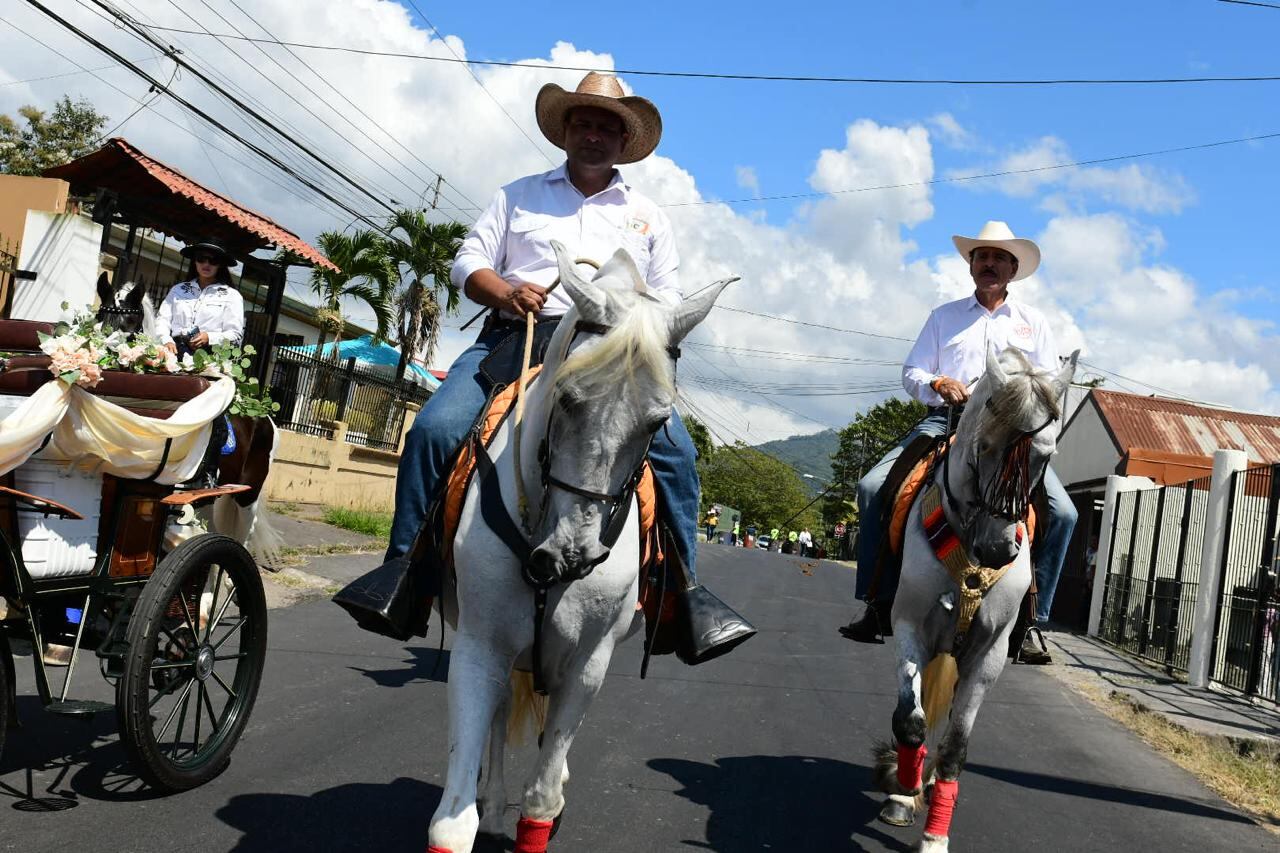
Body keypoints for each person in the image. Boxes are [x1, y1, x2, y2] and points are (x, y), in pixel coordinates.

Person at [385, 72, 753, 662]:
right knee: (434, 429)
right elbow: (467, 264)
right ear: (566, 129)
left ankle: (683, 597)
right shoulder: (517, 195)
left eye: (608, 126)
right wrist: (506, 291)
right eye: (585, 122)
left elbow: (667, 298)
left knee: (679, 457)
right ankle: (402, 575)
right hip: (518, 337)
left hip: (609, 356)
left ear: (624, 139)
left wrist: (624, 311)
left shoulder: (649, 216)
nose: (594, 134)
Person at [839, 221, 1077, 664]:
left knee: (1064, 512)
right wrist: (937, 381)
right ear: (971, 265)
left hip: (1008, 437)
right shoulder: (943, 317)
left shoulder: (1033, 324)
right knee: (873, 488)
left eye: (997, 257)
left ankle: (1031, 622)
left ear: (1012, 268)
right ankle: (876, 601)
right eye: (980, 256)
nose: (988, 263)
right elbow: (911, 373)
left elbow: (1047, 388)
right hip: (943, 422)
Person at [156, 240, 245, 489]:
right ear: (194, 261)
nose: (206, 264)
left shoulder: (231, 296)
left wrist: (209, 337)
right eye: (201, 259)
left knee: (213, 410)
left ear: (220, 265)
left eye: (212, 260)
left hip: (211, 359)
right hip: (174, 354)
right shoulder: (178, 290)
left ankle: (208, 469)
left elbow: (235, 335)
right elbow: (162, 320)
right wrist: (165, 340)